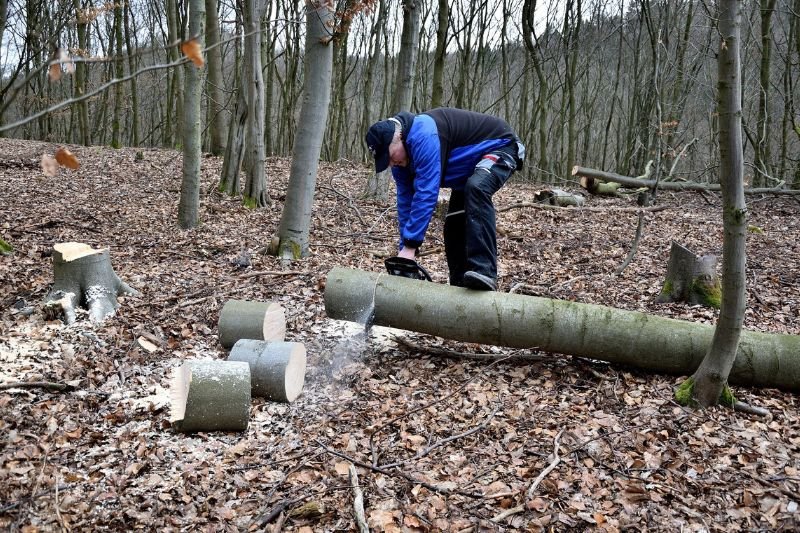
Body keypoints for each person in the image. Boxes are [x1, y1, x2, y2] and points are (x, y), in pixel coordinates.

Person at [365, 107, 525, 291]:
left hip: (502, 146)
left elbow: (426, 193)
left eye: (391, 156)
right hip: (467, 172)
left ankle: (485, 271)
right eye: (387, 161)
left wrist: (411, 244)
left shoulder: (423, 134)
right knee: (453, 226)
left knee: (477, 188)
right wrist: (405, 253)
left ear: (399, 137)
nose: (392, 163)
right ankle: (458, 287)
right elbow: (405, 203)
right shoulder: (400, 163)